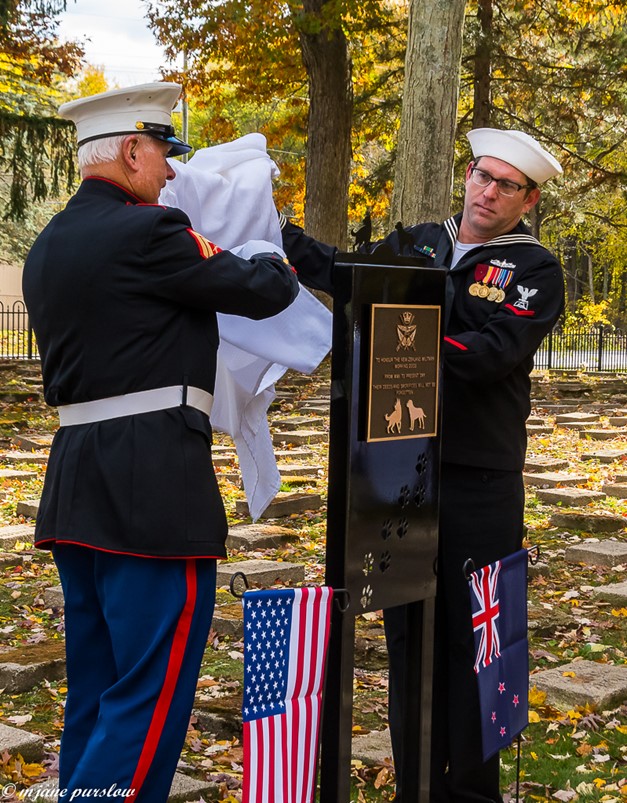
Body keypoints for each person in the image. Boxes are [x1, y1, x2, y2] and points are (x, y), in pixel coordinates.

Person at [22, 82, 299, 801]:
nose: (173, 173)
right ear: (134, 151)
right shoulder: (149, 232)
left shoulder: (48, 244)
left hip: (78, 479)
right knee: (147, 690)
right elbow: (263, 289)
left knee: (98, 684)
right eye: (165, 155)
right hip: (150, 487)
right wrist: (268, 246)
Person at [278, 128, 564, 802]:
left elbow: (491, 353)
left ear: (527, 198)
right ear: (466, 175)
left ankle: (470, 792)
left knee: (476, 645)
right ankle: (415, 786)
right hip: (400, 473)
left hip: (478, 479)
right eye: (480, 175)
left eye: (504, 184)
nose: (486, 191)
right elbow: (339, 273)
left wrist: (406, 326)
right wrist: (271, 231)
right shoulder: (417, 244)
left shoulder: (533, 268)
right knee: (406, 632)